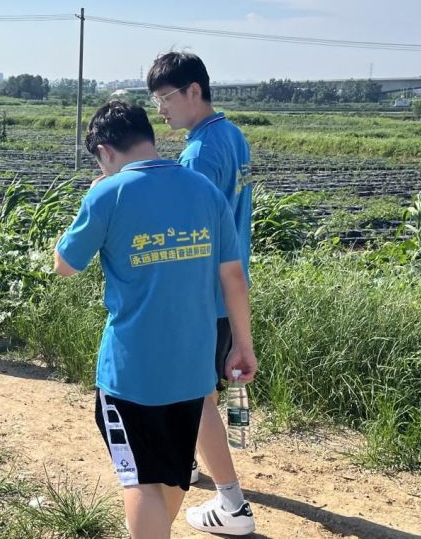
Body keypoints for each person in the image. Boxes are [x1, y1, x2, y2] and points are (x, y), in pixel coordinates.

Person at [54, 100, 257, 539]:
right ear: (148, 137)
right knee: (172, 474)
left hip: (131, 373)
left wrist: (93, 196)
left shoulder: (108, 193)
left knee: (140, 480)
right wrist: (243, 344)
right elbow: (234, 276)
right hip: (194, 365)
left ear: (105, 152)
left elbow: (65, 264)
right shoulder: (203, 190)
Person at [147, 51, 255, 536]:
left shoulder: (198, 154)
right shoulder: (231, 136)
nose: (160, 110)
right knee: (198, 392)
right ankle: (189, 467)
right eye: (155, 101)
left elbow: (189, 230)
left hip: (201, 293)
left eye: (166, 98)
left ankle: (233, 505)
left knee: (197, 396)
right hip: (225, 286)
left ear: (194, 91)